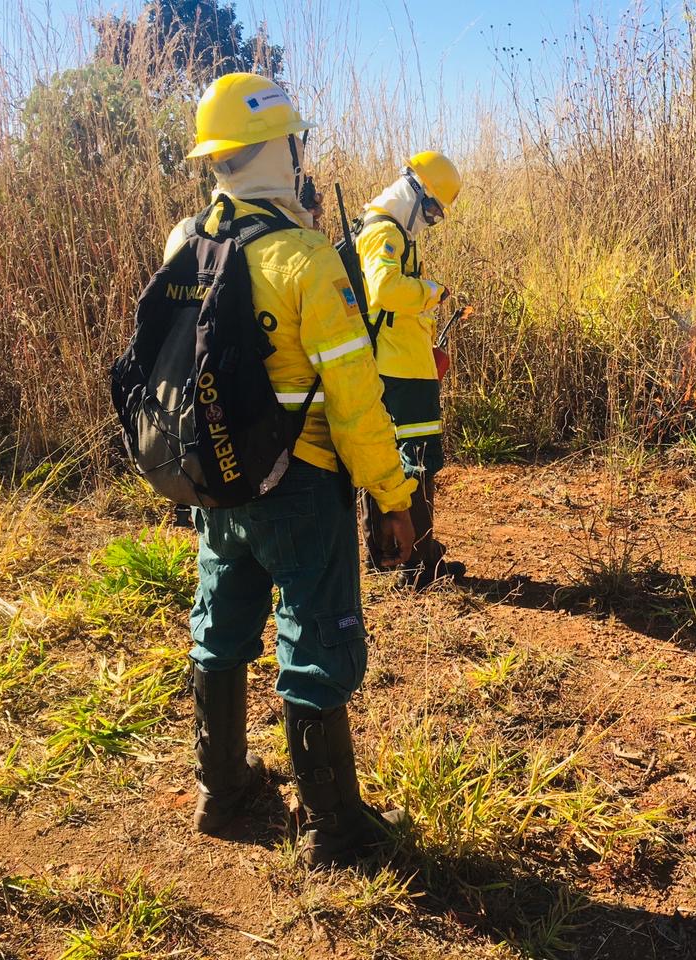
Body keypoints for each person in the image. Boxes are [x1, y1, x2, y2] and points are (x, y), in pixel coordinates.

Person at [171, 72, 416, 866]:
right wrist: (393, 494)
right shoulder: (308, 258)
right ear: (282, 149)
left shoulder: (186, 242)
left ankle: (223, 788)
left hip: (220, 484)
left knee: (222, 627)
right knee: (314, 644)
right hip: (305, 488)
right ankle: (336, 831)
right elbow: (355, 400)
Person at [357, 152, 466, 589]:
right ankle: (418, 562)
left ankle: (390, 556)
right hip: (400, 371)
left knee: (394, 459)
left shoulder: (392, 232)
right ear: (415, 192)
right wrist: (432, 292)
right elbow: (384, 289)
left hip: (405, 364)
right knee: (418, 460)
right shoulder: (384, 231)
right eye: (434, 210)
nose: (433, 221)